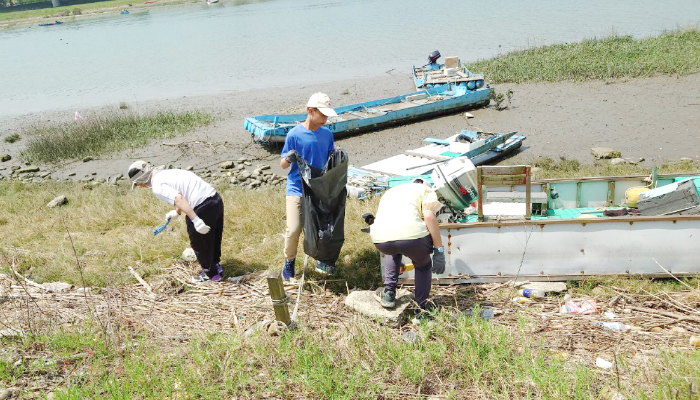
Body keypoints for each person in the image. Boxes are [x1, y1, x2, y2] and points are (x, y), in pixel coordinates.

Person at [128, 161, 224, 283]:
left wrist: (195, 219)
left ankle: (211, 275)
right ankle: (216, 266)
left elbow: (178, 198)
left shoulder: (157, 186)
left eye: (137, 184)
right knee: (213, 235)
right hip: (215, 199)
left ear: (142, 181)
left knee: (199, 241)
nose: (140, 187)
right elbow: (183, 192)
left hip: (202, 206)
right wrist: (177, 212)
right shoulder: (167, 173)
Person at [280, 92, 337, 280]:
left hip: (318, 188)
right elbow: (282, 164)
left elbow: (331, 159)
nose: (326, 119)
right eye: (323, 114)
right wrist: (289, 158)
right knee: (294, 228)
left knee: (320, 228)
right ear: (310, 111)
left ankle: (321, 259)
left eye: (327, 115)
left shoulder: (327, 135)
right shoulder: (294, 135)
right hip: (297, 188)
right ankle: (289, 261)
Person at [369, 178, 446, 317]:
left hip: (380, 239)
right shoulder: (427, 191)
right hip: (412, 239)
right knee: (423, 266)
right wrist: (438, 250)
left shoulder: (392, 191)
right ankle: (421, 308)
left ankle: (389, 294)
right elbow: (429, 216)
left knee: (393, 252)